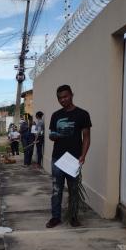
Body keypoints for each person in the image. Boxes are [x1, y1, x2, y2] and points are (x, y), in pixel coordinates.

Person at [46, 85, 91, 228]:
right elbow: (51, 135)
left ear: (72, 95)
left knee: (73, 189)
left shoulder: (82, 114)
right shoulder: (55, 115)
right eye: (60, 98)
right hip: (58, 158)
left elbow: (87, 137)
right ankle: (56, 217)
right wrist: (54, 135)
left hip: (73, 159)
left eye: (65, 96)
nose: (63, 100)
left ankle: (73, 217)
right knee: (56, 189)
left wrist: (83, 156)